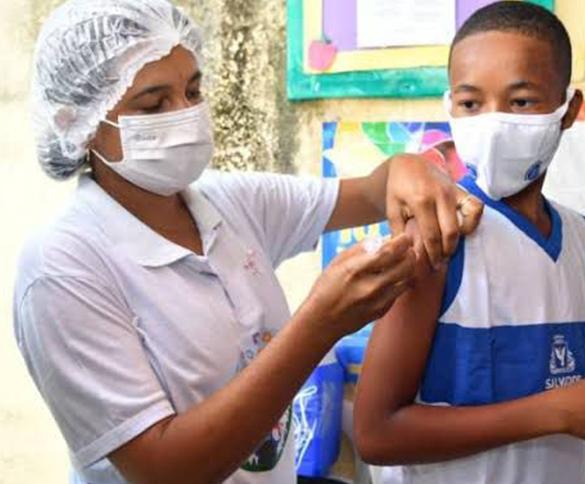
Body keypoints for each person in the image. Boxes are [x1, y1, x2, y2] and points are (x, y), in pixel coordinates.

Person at [12, 1, 484, 484]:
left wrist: (411, 170)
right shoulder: (62, 270)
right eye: (153, 105)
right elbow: (165, 469)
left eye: (193, 91)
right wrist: (319, 325)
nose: (186, 115)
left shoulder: (227, 202)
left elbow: (371, 190)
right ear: (78, 125)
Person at [353, 3, 585, 483]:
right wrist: (562, 410)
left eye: (521, 101)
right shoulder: (437, 237)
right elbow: (376, 434)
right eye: (470, 103)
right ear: (450, 108)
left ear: (569, 111)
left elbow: (549, 386)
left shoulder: (580, 238)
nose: (493, 122)